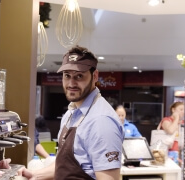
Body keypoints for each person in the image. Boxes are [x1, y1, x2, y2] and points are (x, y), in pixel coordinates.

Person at [18, 46, 124, 180]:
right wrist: (34, 175)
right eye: (67, 75)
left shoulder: (101, 121)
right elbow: (64, 164)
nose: (71, 83)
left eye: (79, 76)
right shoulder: (71, 113)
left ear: (95, 76)